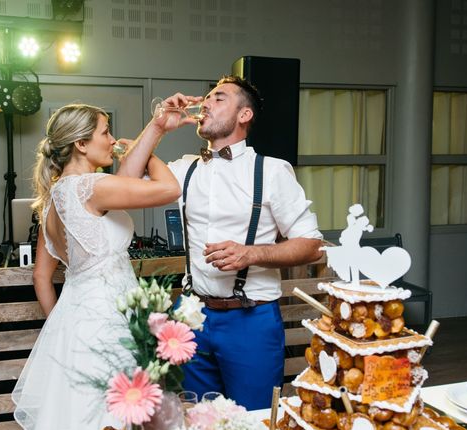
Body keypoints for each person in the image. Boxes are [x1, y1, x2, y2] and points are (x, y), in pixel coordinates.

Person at [119, 76, 323, 410]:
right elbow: (125, 183)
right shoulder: (184, 170)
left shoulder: (271, 172)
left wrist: (252, 254)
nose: (206, 104)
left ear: (244, 115)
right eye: (208, 98)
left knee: (253, 422)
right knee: (199, 423)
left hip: (251, 320)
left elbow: (312, 243)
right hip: (192, 316)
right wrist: (158, 127)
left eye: (219, 98)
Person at [12, 104, 181, 430]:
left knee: (79, 422)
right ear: (81, 144)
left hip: (74, 324)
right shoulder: (90, 187)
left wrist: (155, 129)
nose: (113, 140)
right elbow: (170, 188)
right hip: (108, 323)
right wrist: (137, 151)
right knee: (115, 425)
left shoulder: (53, 199)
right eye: (106, 132)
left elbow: (40, 277)